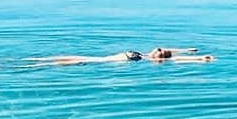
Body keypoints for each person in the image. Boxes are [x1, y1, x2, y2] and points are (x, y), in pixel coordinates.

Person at [25, 47, 214, 66]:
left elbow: (176, 59)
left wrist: (199, 59)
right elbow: (173, 51)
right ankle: (32, 61)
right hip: (100, 58)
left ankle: (29, 66)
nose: (159, 50)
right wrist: (188, 49)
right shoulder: (148, 53)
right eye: (159, 49)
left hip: (105, 61)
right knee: (65, 57)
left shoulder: (150, 59)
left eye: (161, 53)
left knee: (71, 61)